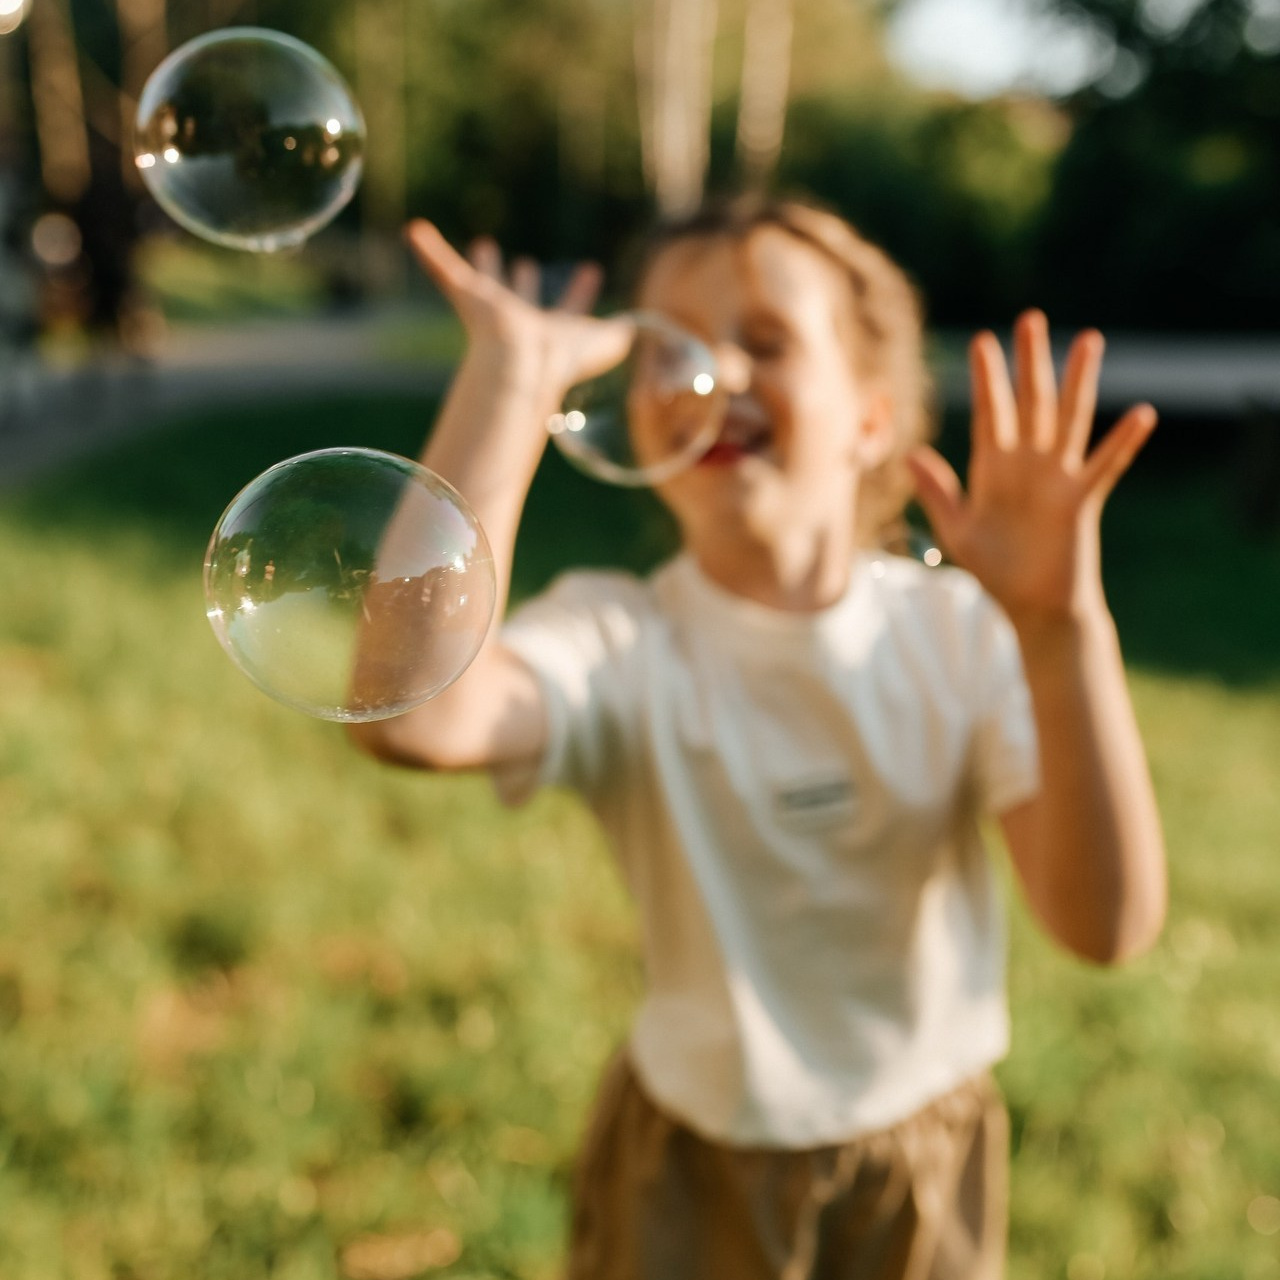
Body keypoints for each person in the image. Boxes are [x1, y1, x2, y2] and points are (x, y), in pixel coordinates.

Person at [349, 196, 1167, 1280]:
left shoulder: (955, 633)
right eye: (667, 350)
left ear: (873, 417)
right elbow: (415, 710)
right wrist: (511, 375)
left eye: (764, 341)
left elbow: (1102, 924)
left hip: (919, 1156)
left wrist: (1060, 631)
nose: (713, 375)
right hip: (688, 1161)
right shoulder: (621, 638)